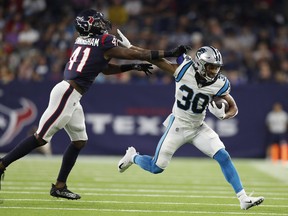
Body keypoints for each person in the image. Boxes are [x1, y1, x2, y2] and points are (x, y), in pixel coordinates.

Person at [0, 9, 188, 199]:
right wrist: (170, 53)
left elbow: (105, 69)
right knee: (40, 138)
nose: (102, 23)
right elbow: (133, 54)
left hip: (72, 95)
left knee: (79, 141)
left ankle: (59, 186)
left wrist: (132, 67)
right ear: (90, 25)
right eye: (98, 21)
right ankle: (2, 164)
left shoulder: (83, 41)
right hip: (67, 93)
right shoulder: (103, 42)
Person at [116, 30, 264, 210]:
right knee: (157, 167)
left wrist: (224, 115)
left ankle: (243, 198)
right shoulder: (183, 70)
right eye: (210, 66)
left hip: (198, 127)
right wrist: (131, 48)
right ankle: (133, 157)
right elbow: (155, 59)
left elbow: (234, 107)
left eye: (216, 67)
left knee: (223, 156)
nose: (214, 70)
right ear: (200, 64)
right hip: (178, 125)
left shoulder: (220, 83)